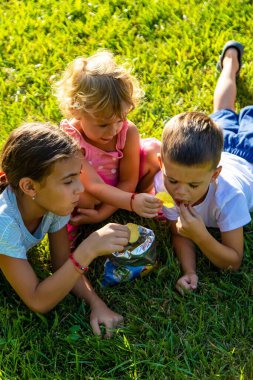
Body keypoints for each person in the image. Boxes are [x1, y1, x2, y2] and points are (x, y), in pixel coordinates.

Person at [0, 122, 130, 338]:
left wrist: (96, 304)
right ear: (30, 186)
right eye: (69, 181)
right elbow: (37, 300)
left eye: (78, 176)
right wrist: (87, 250)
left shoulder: (54, 204)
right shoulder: (5, 226)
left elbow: (62, 264)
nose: (80, 188)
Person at [154, 40, 253, 294]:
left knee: (238, 113)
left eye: (194, 185)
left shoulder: (229, 197)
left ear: (215, 174)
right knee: (222, 111)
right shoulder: (161, 184)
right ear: (161, 164)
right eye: (173, 180)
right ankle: (230, 62)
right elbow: (179, 232)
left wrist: (202, 236)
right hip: (218, 147)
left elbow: (234, 261)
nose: (181, 193)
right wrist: (190, 271)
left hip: (248, 156)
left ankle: (231, 65)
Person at [53, 50, 162, 246]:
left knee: (155, 151)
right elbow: (94, 185)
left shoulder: (128, 132)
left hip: (123, 189)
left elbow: (129, 180)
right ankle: (69, 229)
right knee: (77, 194)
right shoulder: (71, 137)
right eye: (103, 124)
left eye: (120, 119)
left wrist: (104, 213)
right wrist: (129, 202)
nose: (113, 130)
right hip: (91, 194)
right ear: (76, 110)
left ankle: (156, 201)